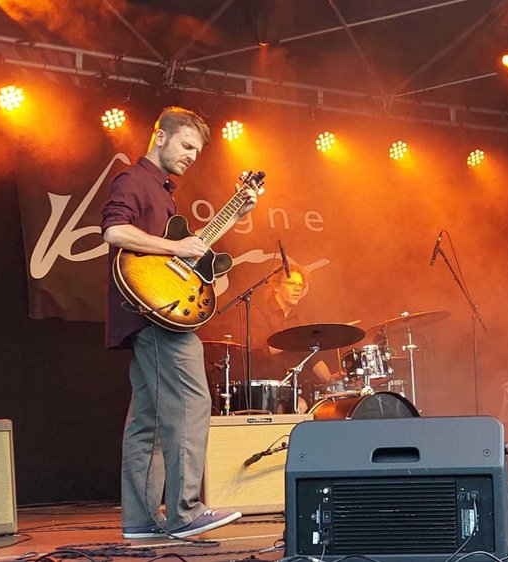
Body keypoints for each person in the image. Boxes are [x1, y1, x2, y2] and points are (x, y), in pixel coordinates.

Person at [102, 106, 259, 539]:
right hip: (157, 316)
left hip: (149, 312)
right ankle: (185, 512)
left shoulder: (163, 192)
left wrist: (235, 214)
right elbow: (114, 232)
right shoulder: (133, 179)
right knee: (192, 402)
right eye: (186, 145)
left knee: (148, 422)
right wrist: (175, 249)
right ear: (160, 136)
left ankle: (140, 520)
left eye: (197, 151)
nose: (191, 155)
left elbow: (186, 248)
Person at [248, 265, 341, 411]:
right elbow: (262, 349)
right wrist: (296, 339)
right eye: (292, 284)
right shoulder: (258, 312)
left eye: (300, 285)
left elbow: (312, 357)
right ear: (276, 287)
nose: (297, 289)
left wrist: (329, 379)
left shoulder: (299, 322)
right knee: (299, 406)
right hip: (263, 387)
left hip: (290, 388)